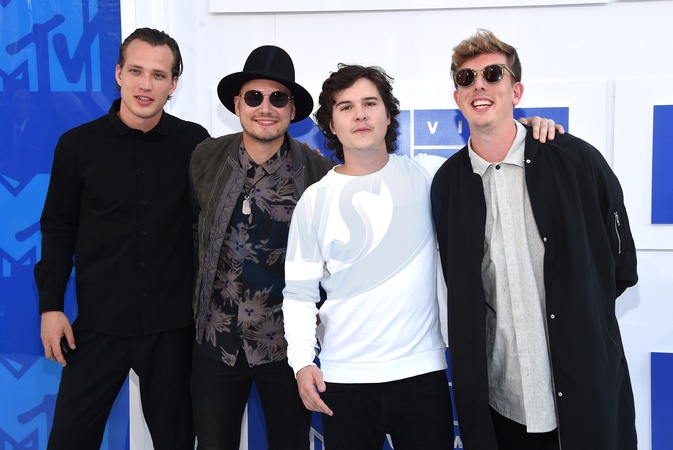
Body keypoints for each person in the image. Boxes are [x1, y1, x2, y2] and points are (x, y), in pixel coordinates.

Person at [281, 64, 562, 450]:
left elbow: (494, 153)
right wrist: (301, 361)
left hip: (423, 378)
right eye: (345, 107)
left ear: (388, 114)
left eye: (370, 103)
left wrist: (529, 131)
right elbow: (299, 294)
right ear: (330, 123)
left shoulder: (431, 175)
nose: (360, 115)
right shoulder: (314, 201)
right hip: (343, 381)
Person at [430, 29, 638, 450]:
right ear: (457, 98)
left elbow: (619, 268)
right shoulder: (448, 183)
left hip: (582, 390)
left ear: (516, 90)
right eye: (466, 78)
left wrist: (580, 318)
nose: (479, 85)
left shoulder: (575, 160)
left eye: (492, 74)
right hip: (501, 400)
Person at [34, 27, 209, 450]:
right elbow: (58, 229)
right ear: (118, 74)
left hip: (171, 329)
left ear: (173, 84)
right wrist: (51, 307)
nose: (145, 84)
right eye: (136, 71)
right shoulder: (77, 146)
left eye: (158, 75)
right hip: (99, 325)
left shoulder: (195, 144)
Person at [189, 45, 335, 450]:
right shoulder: (205, 158)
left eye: (278, 98)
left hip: (286, 351)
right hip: (215, 345)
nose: (265, 108)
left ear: (292, 109)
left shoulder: (318, 173)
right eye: (254, 97)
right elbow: (192, 230)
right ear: (237, 104)